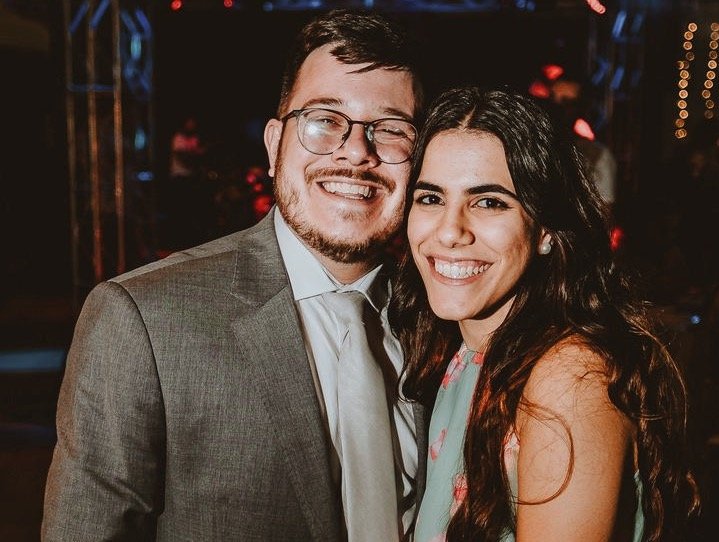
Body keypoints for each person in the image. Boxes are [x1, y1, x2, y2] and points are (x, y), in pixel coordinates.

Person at [42, 9, 425, 541]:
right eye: (324, 120)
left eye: (391, 130)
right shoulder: (144, 321)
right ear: (274, 145)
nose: (356, 152)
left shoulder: (443, 319)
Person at [388, 86, 700, 541]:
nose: (450, 231)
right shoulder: (465, 354)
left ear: (545, 230)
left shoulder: (567, 379)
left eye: (489, 202)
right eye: (431, 198)